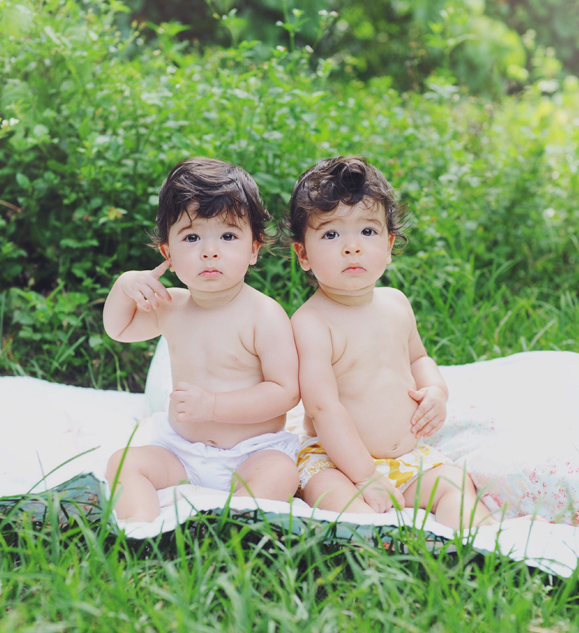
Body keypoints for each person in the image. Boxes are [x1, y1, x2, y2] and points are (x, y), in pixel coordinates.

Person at [287, 156, 498, 529]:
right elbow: (323, 409)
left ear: (389, 244)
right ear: (303, 254)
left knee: (456, 486)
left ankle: (481, 549)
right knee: (336, 496)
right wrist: (365, 477)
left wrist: (435, 390)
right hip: (335, 460)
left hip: (407, 459)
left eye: (367, 232)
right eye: (331, 234)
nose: (351, 246)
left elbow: (418, 358)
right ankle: (380, 550)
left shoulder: (396, 302)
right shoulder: (311, 324)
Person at [104, 157, 301, 522]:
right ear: (169, 255)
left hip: (253, 453)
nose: (209, 251)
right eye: (191, 237)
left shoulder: (263, 314)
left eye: (228, 236)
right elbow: (120, 328)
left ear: (254, 249)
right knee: (121, 464)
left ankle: (232, 526)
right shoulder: (171, 305)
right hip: (182, 452)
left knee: (281, 473)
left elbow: (285, 392)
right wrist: (124, 286)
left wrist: (213, 406)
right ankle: (140, 532)